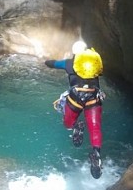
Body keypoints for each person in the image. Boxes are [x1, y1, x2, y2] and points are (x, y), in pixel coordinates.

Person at [45, 40, 105, 179]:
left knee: (68, 123)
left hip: (76, 97)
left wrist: (47, 62)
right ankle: (96, 153)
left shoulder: (68, 63)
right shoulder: (94, 63)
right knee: (95, 127)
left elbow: (53, 63)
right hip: (94, 96)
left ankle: (76, 125)